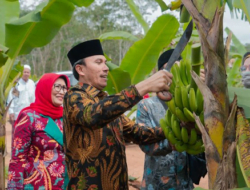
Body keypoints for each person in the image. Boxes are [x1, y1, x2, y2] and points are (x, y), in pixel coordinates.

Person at [63, 39, 173, 189]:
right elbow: (92, 115)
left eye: (105, 62)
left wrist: (174, 128)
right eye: (98, 62)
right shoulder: (74, 97)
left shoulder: (109, 105)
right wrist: (145, 86)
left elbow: (138, 133)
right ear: (81, 70)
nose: (106, 67)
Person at [136, 49, 193, 190]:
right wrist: (175, 140)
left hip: (184, 184)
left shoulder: (191, 105)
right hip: (155, 184)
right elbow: (146, 145)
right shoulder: (146, 106)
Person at [7, 73, 70, 190]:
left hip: (64, 184)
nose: (61, 91)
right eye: (57, 86)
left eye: (64, 88)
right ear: (45, 87)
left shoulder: (67, 117)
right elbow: (18, 160)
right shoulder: (29, 117)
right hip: (37, 185)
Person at [7, 65, 35, 150]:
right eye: (24, 72)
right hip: (17, 114)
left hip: (29, 114)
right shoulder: (16, 84)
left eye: (27, 72)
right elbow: (11, 98)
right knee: (16, 135)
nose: (26, 74)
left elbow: (33, 98)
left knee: (28, 134)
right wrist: (11, 112)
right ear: (21, 73)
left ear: (30, 73)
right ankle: (15, 152)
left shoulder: (32, 83)